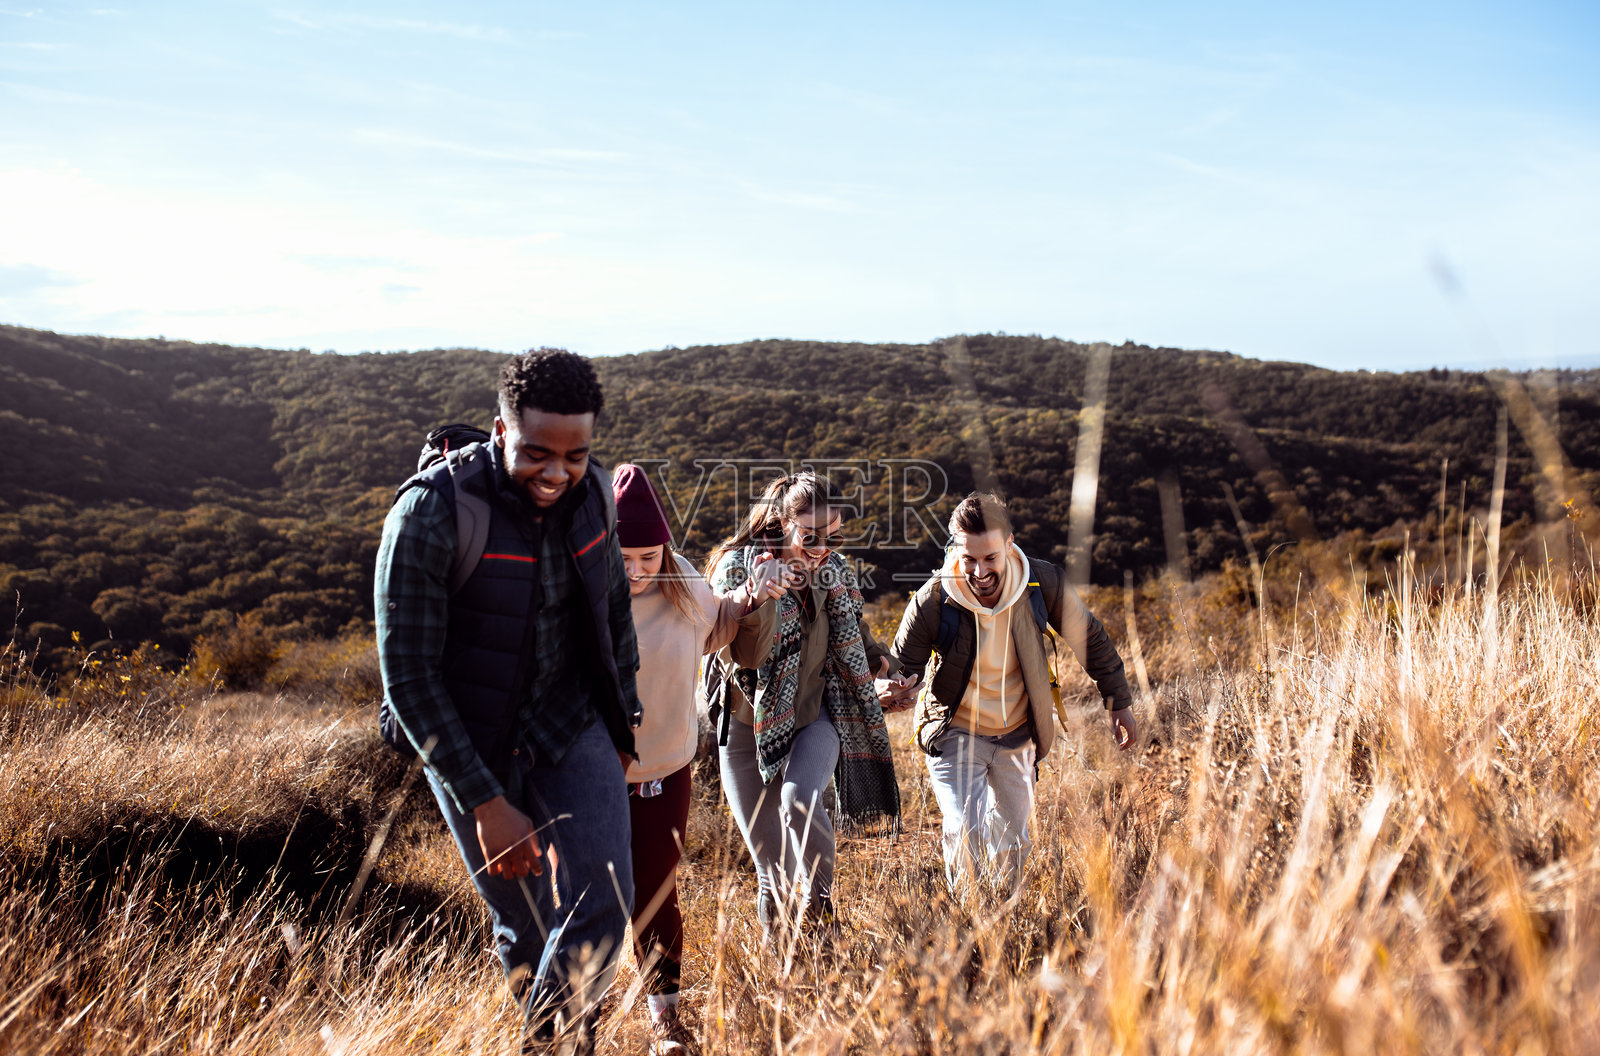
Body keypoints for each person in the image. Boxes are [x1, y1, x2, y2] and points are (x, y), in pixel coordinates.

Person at [374, 349, 639, 1055]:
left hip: (568, 720)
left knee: (603, 910)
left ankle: (551, 1048)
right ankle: (553, 1039)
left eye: (575, 455)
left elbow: (613, 614)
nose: (557, 473)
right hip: (469, 737)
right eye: (536, 454)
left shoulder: (596, 498)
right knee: (524, 922)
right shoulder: (431, 513)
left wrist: (622, 724)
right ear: (499, 430)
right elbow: (408, 681)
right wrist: (487, 803)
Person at [610, 463, 782, 1055]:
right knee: (592, 893)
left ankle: (665, 1019)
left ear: (664, 548)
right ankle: (584, 1006)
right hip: (593, 773)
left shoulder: (682, 584)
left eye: (647, 558)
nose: (636, 571)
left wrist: (753, 595)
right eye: (624, 557)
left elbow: (720, 627)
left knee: (657, 892)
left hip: (666, 768)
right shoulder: (583, 589)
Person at [893, 491, 1137, 897]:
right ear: (955, 548)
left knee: (1012, 843)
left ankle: (1005, 928)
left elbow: (1090, 639)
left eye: (990, 557)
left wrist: (1119, 702)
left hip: (1018, 734)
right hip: (955, 733)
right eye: (968, 558)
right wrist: (896, 688)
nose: (979, 570)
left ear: (1009, 543)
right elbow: (903, 667)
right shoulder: (933, 600)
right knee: (964, 832)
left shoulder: (1041, 583)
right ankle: (968, 931)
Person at [705, 470, 913, 939]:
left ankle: (821, 913)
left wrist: (887, 668)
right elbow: (747, 656)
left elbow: (853, 635)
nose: (822, 548)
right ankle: (780, 974)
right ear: (782, 523)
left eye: (833, 536)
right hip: (743, 728)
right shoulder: (738, 570)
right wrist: (760, 597)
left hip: (815, 715)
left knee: (800, 799)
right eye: (811, 536)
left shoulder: (833, 573)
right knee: (771, 872)